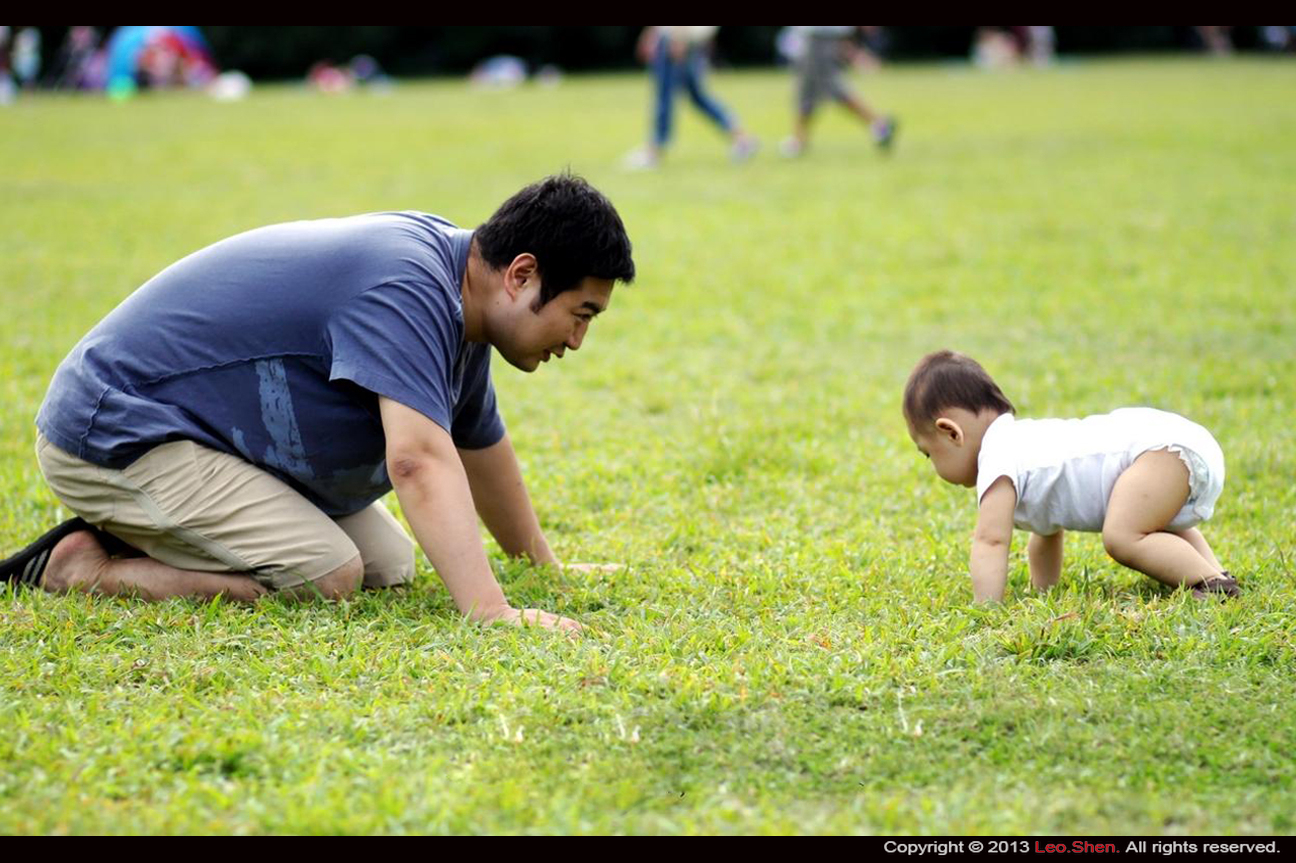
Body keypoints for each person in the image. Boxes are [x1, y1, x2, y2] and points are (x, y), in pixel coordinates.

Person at [1, 174, 635, 634]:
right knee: (326, 575)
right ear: (521, 275)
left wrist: (543, 568)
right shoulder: (410, 286)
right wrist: (491, 611)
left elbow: (478, 445)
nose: (578, 340)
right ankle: (81, 568)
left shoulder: (463, 299)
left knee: (388, 564)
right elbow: (417, 462)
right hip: (118, 427)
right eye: (580, 314)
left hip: (204, 437)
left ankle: (150, 535)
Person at [902, 350, 1238, 603]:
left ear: (951, 433)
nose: (933, 465)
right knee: (1153, 522)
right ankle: (1216, 573)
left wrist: (985, 607)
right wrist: (1042, 592)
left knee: (1124, 536)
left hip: (1160, 451)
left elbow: (991, 541)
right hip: (1173, 443)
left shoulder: (997, 459)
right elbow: (1047, 532)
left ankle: (1208, 582)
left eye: (928, 453)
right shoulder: (1021, 446)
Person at [623, 26, 758, 170]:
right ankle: (741, 138)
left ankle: (654, 152)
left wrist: (677, 39)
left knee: (665, 97)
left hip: (675, 38)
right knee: (698, 97)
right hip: (684, 39)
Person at [780, 26, 896, 159]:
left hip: (819, 35)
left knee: (829, 87)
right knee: (809, 89)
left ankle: (879, 124)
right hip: (817, 36)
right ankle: (799, 139)